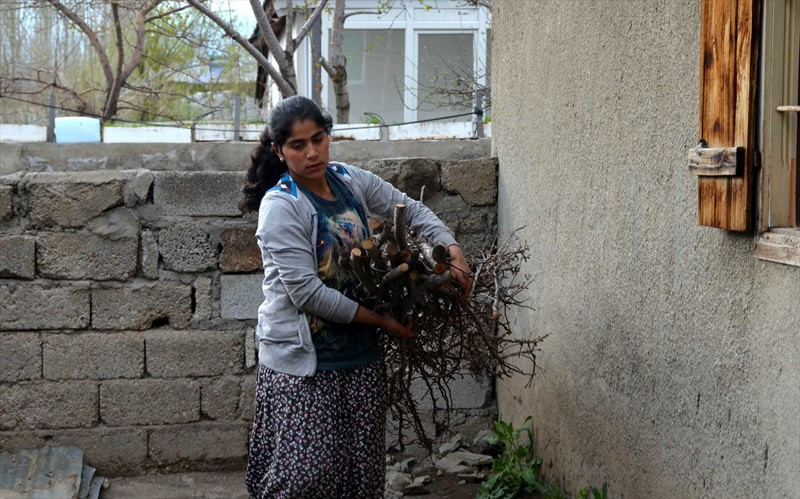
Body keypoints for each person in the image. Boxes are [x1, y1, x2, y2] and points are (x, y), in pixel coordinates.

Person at [240, 95, 471, 498]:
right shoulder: (282, 206)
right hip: (304, 365)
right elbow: (307, 292)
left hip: (360, 359)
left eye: (319, 138)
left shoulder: (349, 181)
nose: (312, 153)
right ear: (279, 150)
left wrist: (451, 248)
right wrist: (381, 320)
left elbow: (410, 210)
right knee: (302, 481)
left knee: (357, 479)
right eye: (298, 145)